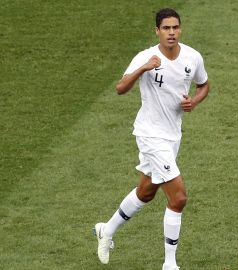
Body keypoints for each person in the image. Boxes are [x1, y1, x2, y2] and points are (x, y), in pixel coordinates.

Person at [93, 8, 210, 270]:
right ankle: (170, 265)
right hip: (150, 135)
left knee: (146, 192)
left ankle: (106, 229)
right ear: (157, 31)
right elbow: (120, 88)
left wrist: (195, 101)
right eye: (166, 28)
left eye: (175, 28)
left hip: (172, 136)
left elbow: (204, 85)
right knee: (178, 198)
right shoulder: (146, 56)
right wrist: (144, 68)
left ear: (180, 29)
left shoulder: (193, 57)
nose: (171, 32)